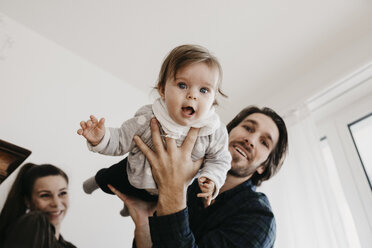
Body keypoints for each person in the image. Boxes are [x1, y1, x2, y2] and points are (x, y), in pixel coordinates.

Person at [77, 44, 232, 215]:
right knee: (111, 179)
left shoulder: (213, 131)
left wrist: (211, 179)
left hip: (169, 191)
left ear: (213, 99)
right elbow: (121, 138)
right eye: (182, 85)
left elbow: (220, 160)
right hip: (134, 174)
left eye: (204, 90)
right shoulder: (149, 118)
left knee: (166, 211)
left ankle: (130, 208)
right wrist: (101, 137)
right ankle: (95, 182)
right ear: (162, 90)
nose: (192, 95)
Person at [110, 105, 288, 248]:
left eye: (264, 142)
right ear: (228, 132)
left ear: (263, 166)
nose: (250, 140)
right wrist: (143, 224)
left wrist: (173, 189)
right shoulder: (191, 187)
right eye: (248, 128)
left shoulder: (259, 219)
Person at [0, 163, 76, 248]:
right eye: (45, 195)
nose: (56, 203)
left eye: (62, 193)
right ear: (27, 201)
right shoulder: (29, 227)